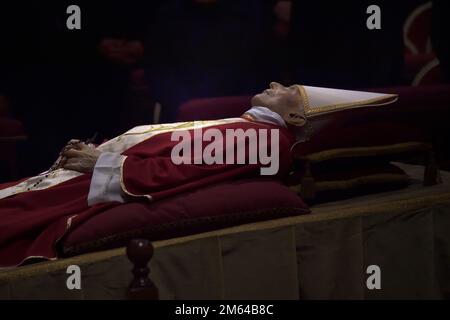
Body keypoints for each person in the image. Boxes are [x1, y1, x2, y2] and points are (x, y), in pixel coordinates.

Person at [0, 82, 302, 267]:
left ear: (296, 116)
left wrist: (101, 162)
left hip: (103, 185)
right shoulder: (253, 128)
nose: (274, 83)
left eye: (288, 89)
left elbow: (184, 172)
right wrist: (98, 150)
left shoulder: (269, 139)